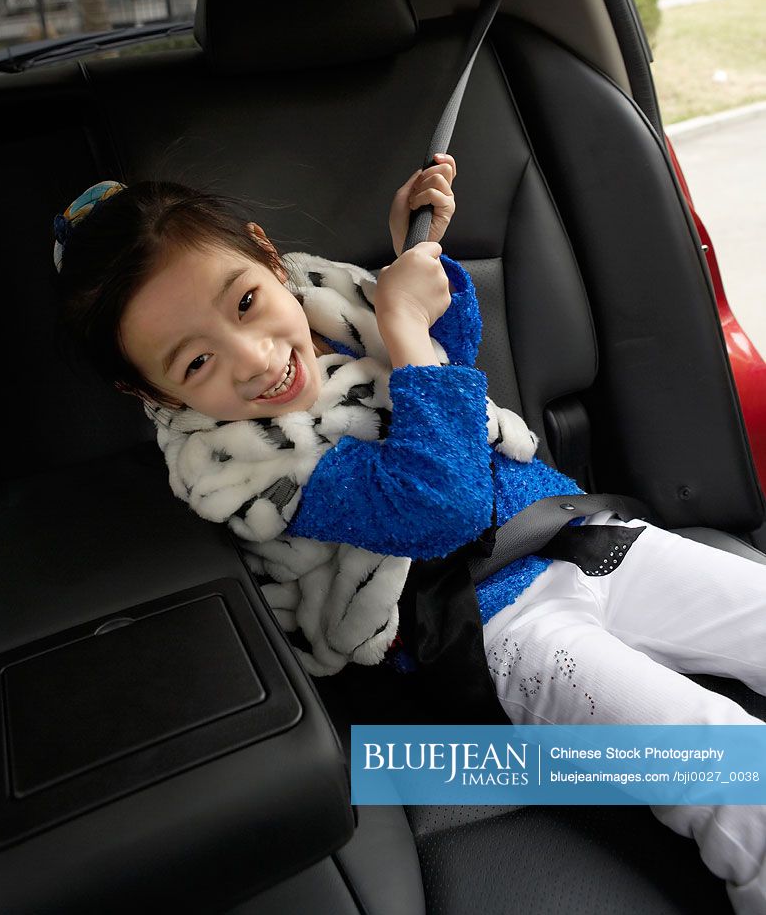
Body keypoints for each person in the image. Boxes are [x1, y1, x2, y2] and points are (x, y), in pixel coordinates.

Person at [54, 160, 766, 914]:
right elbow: (440, 503)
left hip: (580, 535)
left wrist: (409, 267)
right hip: (486, 622)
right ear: (150, 391)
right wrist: (400, 324)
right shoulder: (241, 468)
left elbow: (450, 364)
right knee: (724, 761)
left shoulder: (329, 299)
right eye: (196, 362)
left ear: (267, 254)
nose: (255, 358)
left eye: (247, 301)